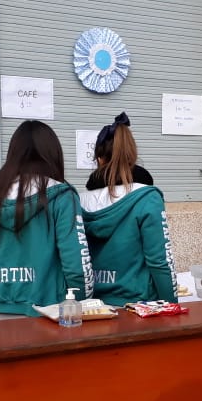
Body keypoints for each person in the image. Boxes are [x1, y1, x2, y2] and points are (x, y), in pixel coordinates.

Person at [0, 120, 93, 319]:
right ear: (53, 154)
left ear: (13, 153)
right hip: (47, 315)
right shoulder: (63, 197)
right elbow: (77, 267)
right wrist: (81, 305)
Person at [80, 112, 177, 305]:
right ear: (133, 155)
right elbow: (160, 261)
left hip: (92, 306)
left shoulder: (79, 200)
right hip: (137, 305)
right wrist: (172, 304)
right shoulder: (147, 198)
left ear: (99, 158)